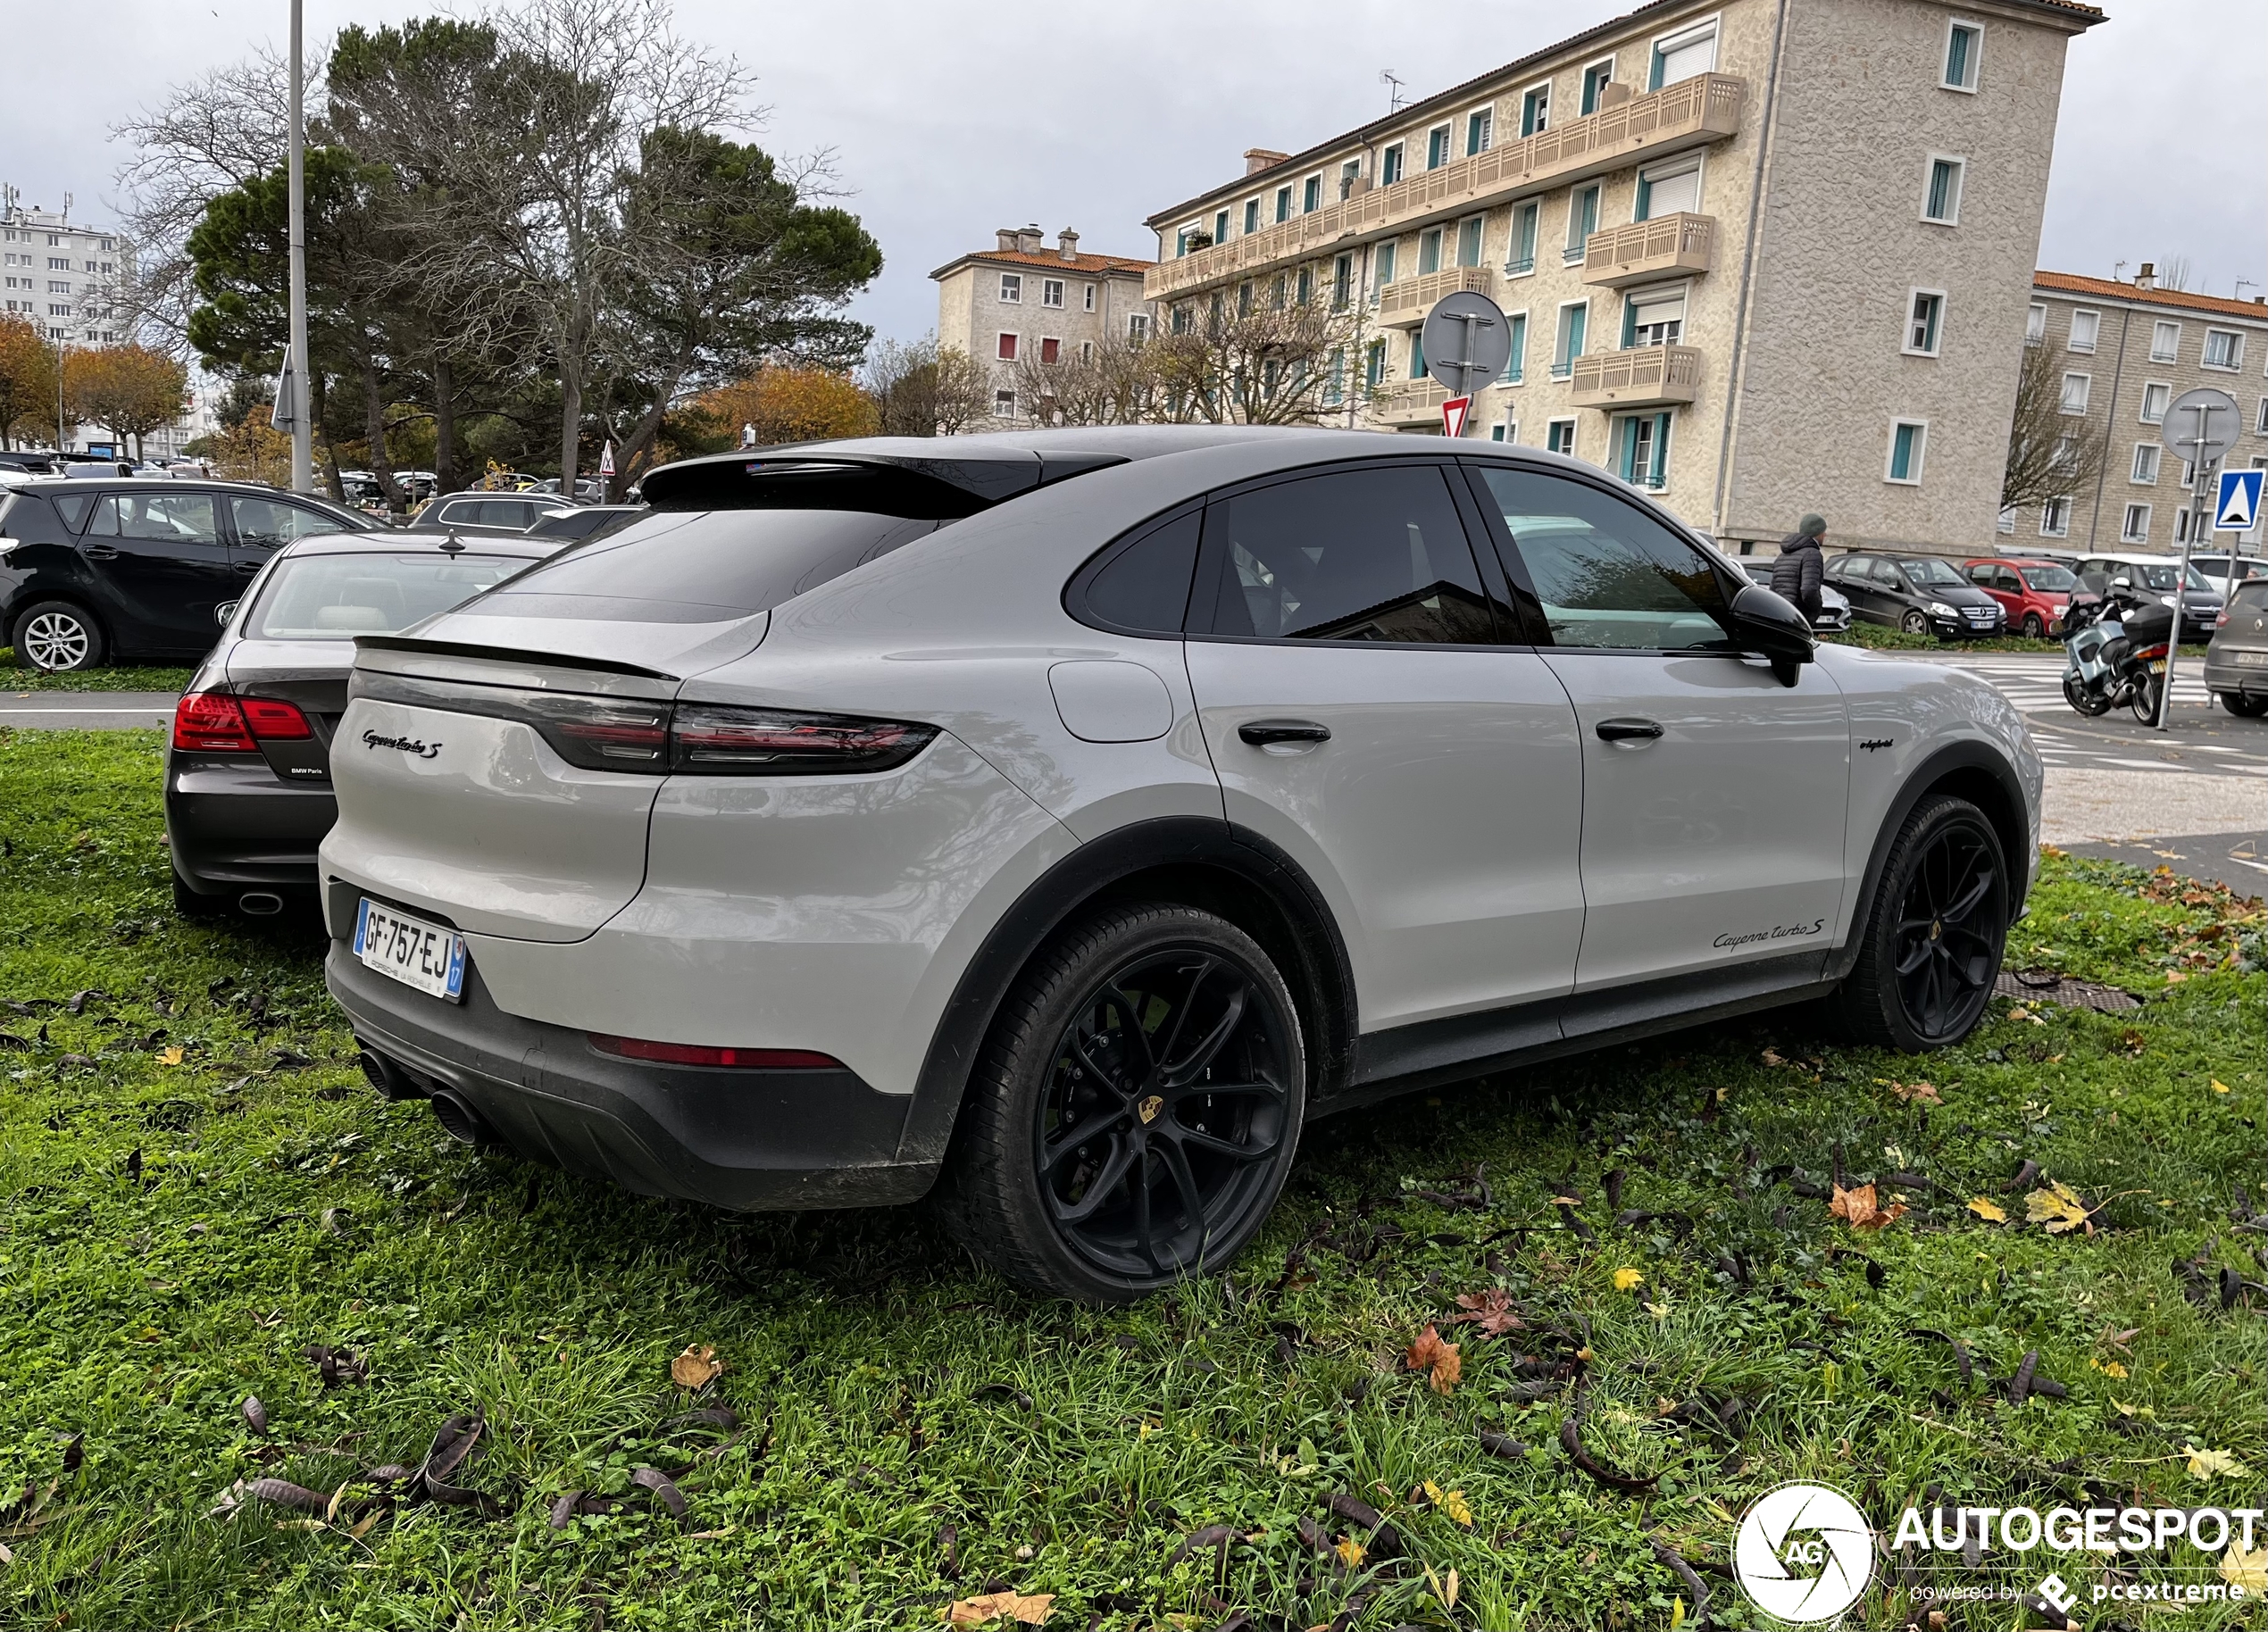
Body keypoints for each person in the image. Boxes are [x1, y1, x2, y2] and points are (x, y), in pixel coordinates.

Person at [1771, 512, 1826, 626]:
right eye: (1823, 531)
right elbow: (1809, 590)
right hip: (1798, 618)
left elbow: (1773, 589)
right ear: (1817, 532)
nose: (1825, 534)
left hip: (1781, 614)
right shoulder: (1812, 554)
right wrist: (1816, 610)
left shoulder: (1783, 555)